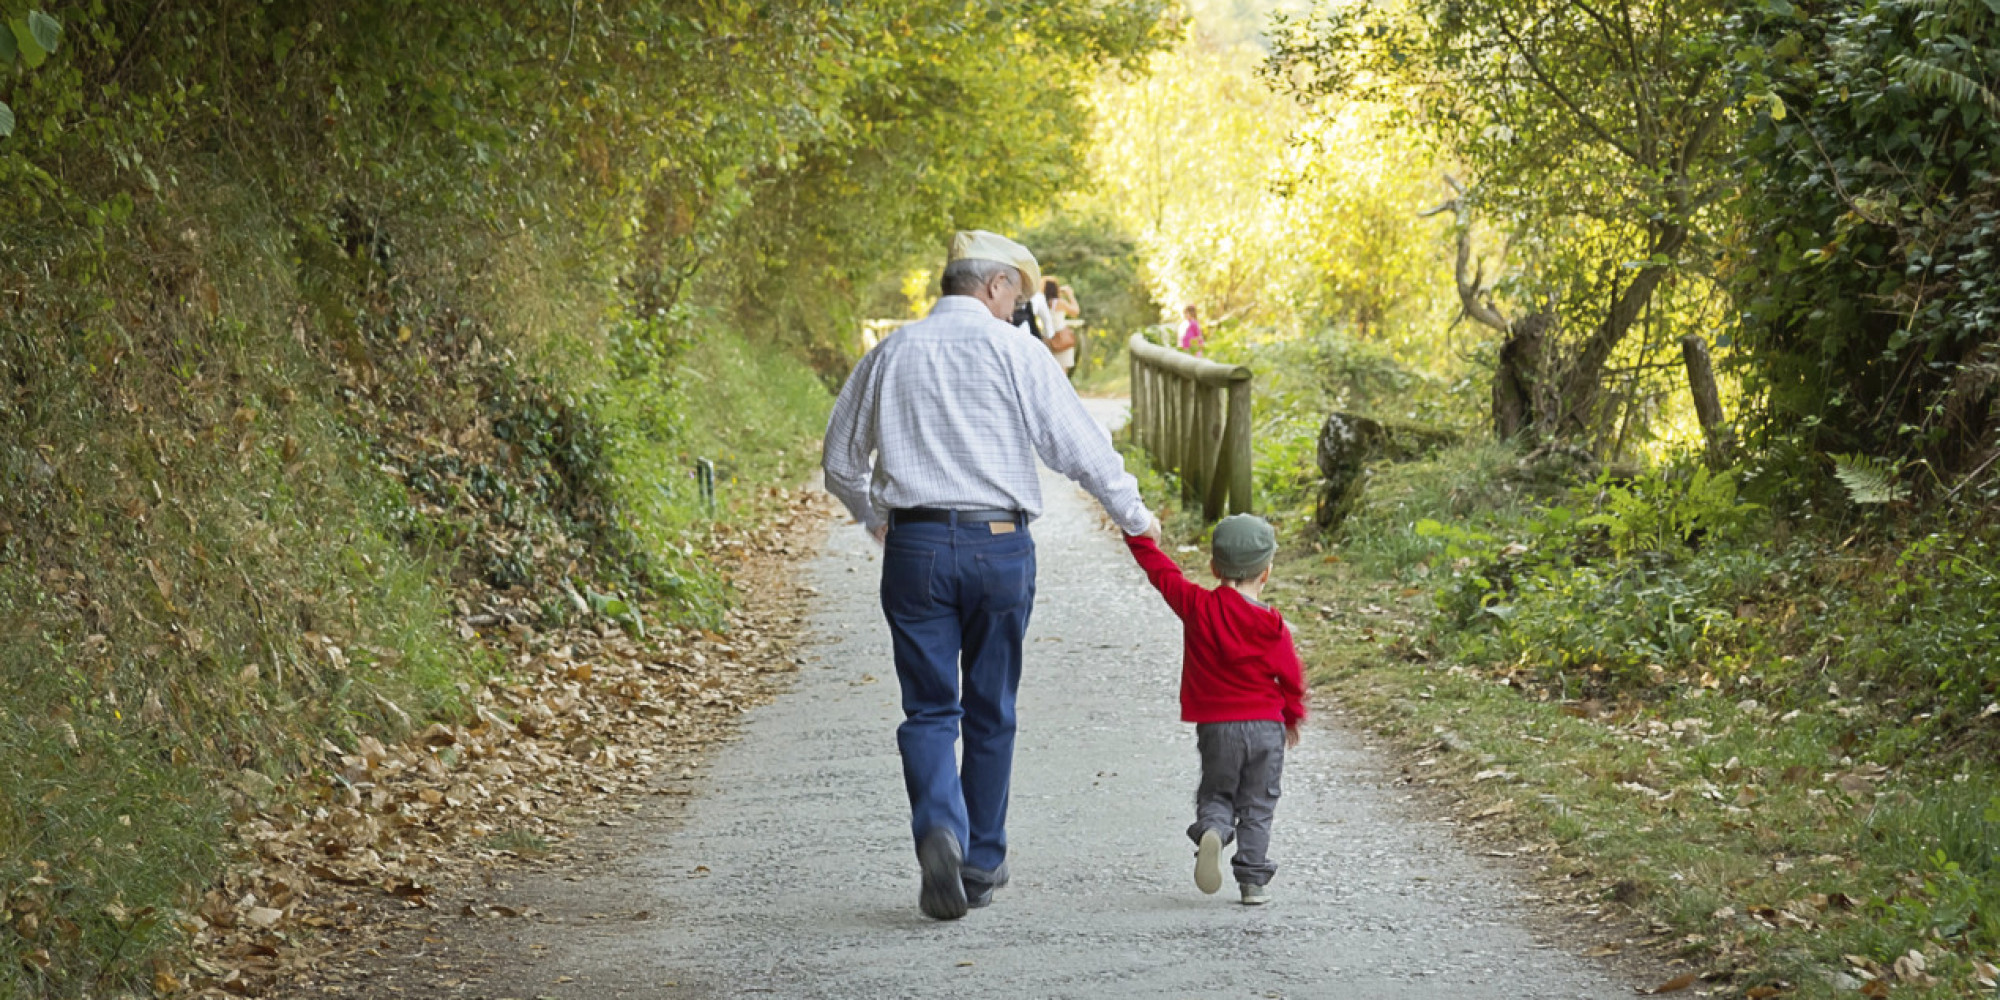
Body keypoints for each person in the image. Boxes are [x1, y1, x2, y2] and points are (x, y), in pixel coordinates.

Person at [822, 230, 1161, 921]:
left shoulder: (891, 352)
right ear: (994, 286)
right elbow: (1079, 449)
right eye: (1019, 296)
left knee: (927, 709)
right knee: (991, 706)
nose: (1019, 310)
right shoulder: (1017, 353)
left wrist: (874, 516)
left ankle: (940, 830)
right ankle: (980, 861)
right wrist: (1134, 516)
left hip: (915, 546)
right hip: (1000, 545)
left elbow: (839, 461)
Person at [1123, 513, 1305, 905]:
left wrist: (1135, 532)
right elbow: (1291, 677)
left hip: (1217, 727)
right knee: (1258, 801)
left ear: (1213, 567)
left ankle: (1213, 831)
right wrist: (1291, 718)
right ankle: (1252, 884)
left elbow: (1161, 572)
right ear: (1267, 572)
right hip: (1265, 727)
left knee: (1218, 791)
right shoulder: (1273, 624)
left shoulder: (1196, 606)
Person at [1042, 278, 1080, 379]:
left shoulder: (1042, 302)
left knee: (1049, 372)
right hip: (1061, 339)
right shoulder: (1059, 303)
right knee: (1062, 373)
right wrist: (1069, 294)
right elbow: (1075, 311)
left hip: (1047, 339)